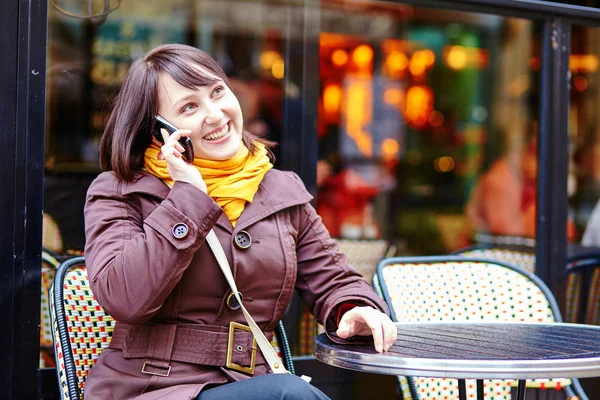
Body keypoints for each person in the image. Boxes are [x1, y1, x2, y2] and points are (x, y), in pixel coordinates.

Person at [83, 43, 397, 400]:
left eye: (217, 92)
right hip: (152, 387)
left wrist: (352, 308)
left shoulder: (281, 189)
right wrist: (187, 195)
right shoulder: (122, 191)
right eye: (189, 107)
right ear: (159, 132)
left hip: (252, 383)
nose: (215, 114)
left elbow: (332, 278)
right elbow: (123, 296)